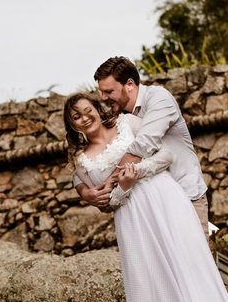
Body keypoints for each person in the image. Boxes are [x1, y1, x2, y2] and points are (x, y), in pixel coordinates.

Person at [64, 92, 228, 302]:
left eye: (87, 110)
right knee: (147, 281)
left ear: (97, 109)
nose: (84, 118)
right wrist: (123, 188)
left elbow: (166, 156)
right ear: (72, 124)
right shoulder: (82, 162)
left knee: (192, 264)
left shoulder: (129, 124)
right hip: (131, 218)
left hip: (166, 199)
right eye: (75, 116)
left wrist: (136, 172)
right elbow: (106, 202)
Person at [75, 56, 209, 234]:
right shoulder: (118, 117)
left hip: (186, 195)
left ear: (129, 84)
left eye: (108, 91)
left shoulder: (159, 98)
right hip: (151, 207)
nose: (103, 98)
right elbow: (93, 159)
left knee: (195, 259)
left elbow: (143, 145)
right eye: (102, 92)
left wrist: (108, 182)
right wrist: (84, 192)